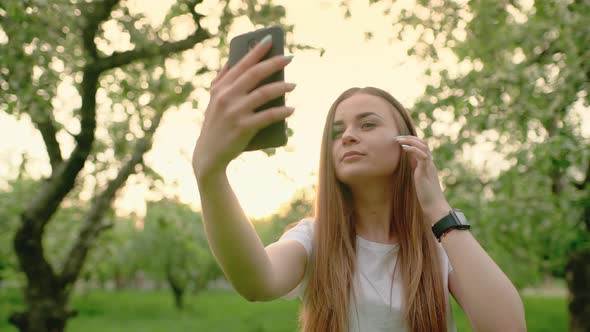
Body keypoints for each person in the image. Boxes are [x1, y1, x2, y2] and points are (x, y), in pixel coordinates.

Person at [192, 33, 526, 332]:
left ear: (407, 144)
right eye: (338, 132)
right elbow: (258, 281)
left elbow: (508, 327)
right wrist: (211, 174)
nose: (349, 136)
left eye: (367, 125)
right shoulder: (314, 239)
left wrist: (438, 209)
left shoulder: (440, 241)